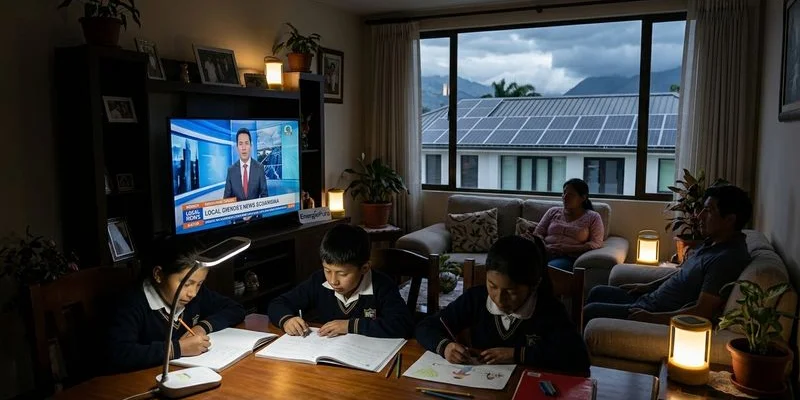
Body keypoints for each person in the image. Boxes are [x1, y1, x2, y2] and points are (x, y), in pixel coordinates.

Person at [415, 235, 590, 376]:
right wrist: (445, 346)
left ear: (534, 285)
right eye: (492, 286)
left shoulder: (549, 310)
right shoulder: (476, 299)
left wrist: (517, 355)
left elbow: (579, 359)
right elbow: (425, 327)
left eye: (511, 291)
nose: (499, 298)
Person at [583, 184, 753, 327]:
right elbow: (682, 273)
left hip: (656, 312)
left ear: (730, 219)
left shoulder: (727, 260)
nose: (699, 216)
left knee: (590, 311)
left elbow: (702, 312)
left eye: (708, 211)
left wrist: (652, 318)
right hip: (650, 299)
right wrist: (648, 286)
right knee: (597, 291)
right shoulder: (713, 243)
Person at [105, 238, 246, 372]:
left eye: (199, 284)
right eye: (186, 284)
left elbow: (235, 309)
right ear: (158, 275)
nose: (193, 293)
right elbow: (118, 354)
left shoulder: (196, 295)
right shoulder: (133, 303)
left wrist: (201, 327)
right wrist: (176, 349)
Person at [267, 224, 414, 339]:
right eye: (327, 270)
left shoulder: (382, 286)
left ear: (364, 268)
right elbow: (278, 304)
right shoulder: (319, 281)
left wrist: (350, 326)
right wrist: (287, 320)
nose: (332, 280)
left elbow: (402, 324)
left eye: (342, 274)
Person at [533, 178, 604, 272]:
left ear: (583, 197)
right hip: (543, 252)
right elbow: (538, 232)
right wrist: (544, 246)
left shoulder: (593, 217)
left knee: (550, 269)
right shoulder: (553, 211)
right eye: (564, 193)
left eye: (570, 195)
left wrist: (566, 249)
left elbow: (596, 243)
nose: (565, 197)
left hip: (568, 257)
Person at [223, 128, 268, 201]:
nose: (243, 148)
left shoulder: (259, 168)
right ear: (237, 147)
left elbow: (265, 196)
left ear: (251, 145)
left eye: (246, 143)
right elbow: (226, 200)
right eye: (240, 144)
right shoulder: (231, 171)